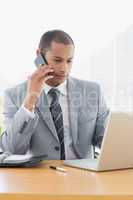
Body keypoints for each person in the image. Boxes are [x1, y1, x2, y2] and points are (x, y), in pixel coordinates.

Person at [0, 30, 109, 160]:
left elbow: (105, 140)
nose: (64, 69)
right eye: (57, 60)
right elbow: (12, 149)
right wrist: (30, 99)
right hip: (38, 177)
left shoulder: (93, 91)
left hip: (83, 176)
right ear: (39, 56)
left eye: (69, 61)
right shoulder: (13, 95)